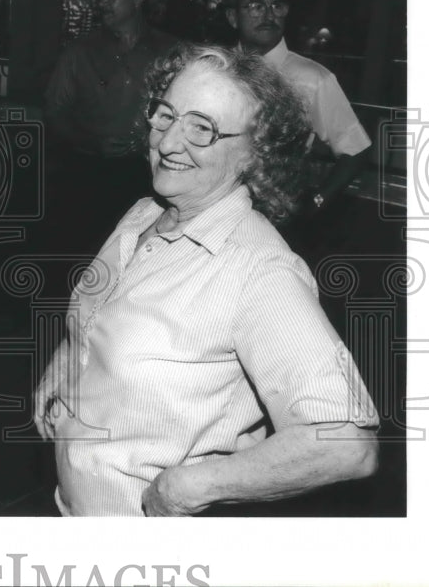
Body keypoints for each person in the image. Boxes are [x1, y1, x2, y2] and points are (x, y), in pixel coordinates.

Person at [34, 43, 379, 516]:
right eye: (167, 115)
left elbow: (345, 443)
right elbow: (103, 317)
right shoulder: (144, 214)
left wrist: (188, 487)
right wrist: (68, 358)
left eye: (203, 128)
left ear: (254, 155)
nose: (170, 142)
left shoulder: (260, 272)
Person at [43, 0, 178, 253]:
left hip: (147, 177)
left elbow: (184, 112)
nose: (104, 0)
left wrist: (148, 141)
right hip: (86, 174)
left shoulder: (170, 51)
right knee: (83, 251)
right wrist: (90, 140)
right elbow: (55, 112)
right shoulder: (80, 53)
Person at [225, 0, 372, 213]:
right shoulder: (217, 70)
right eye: (255, 6)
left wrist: (317, 202)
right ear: (232, 17)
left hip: (273, 217)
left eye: (277, 6)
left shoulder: (312, 78)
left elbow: (356, 148)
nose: (268, 15)